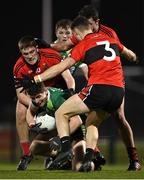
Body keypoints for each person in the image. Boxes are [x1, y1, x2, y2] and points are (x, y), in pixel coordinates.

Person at [25, 16, 141, 171]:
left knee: (61, 113)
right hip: (118, 91)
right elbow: (129, 53)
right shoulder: (110, 38)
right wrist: (134, 57)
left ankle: (65, 150)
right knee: (93, 123)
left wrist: (37, 78)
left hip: (99, 88)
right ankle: (89, 159)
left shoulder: (84, 43)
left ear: (77, 32)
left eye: (74, 35)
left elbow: (61, 67)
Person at [13, 35, 75, 170]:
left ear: (37, 48)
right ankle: (26, 154)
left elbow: (69, 79)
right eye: (25, 54)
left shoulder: (52, 56)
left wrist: (71, 93)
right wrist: (36, 105)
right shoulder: (19, 67)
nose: (29, 56)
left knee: (79, 123)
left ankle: (91, 150)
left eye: (31, 52)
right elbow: (20, 94)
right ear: (21, 53)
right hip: (39, 100)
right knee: (20, 108)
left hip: (57, 97)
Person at [23, 82, 90, 171]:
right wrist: (31, 124)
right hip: (62, 129)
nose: (36, 101)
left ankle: (89, 161)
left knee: (79, 167)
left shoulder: (57, 99)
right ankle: (60, 157)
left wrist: (60, 138)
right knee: (34, 147)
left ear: (46, 92)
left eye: (38, 96)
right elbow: (30, 111)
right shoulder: (38, 99)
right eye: (33, 98)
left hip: (78, 131)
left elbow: (77, 121)